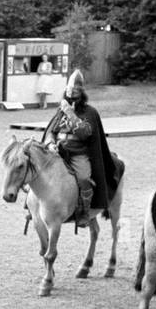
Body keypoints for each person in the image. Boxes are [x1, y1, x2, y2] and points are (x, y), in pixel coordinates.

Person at [43, 70, 120, 227]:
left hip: (78, 153)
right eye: (70, 93)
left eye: (75, 93)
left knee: (84, 178)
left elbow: (84, 133)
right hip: (59, 151)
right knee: (38, 170)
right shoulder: (61, 111)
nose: (72, 96)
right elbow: (51, 131)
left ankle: (84, 212)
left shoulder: (89, 112)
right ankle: (34, 207)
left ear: (81, 94)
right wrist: (51, 144)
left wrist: (70, 112)